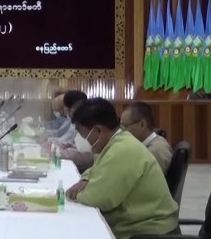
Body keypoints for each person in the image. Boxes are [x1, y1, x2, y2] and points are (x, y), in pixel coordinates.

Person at [65, 98, 179, 239]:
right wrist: (85, 179)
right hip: (133, 226)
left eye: (84, 135)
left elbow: (99, 198)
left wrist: (74, 194)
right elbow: (94, 169)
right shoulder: (115, 143)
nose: (84, 140)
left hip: (149, 232)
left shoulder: (122, 149)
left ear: (98, 130)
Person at [120, 102, 173, 173]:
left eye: (124, 126)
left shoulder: (154, 152)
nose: (122, 131)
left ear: (142, 124)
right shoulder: (156, 142)